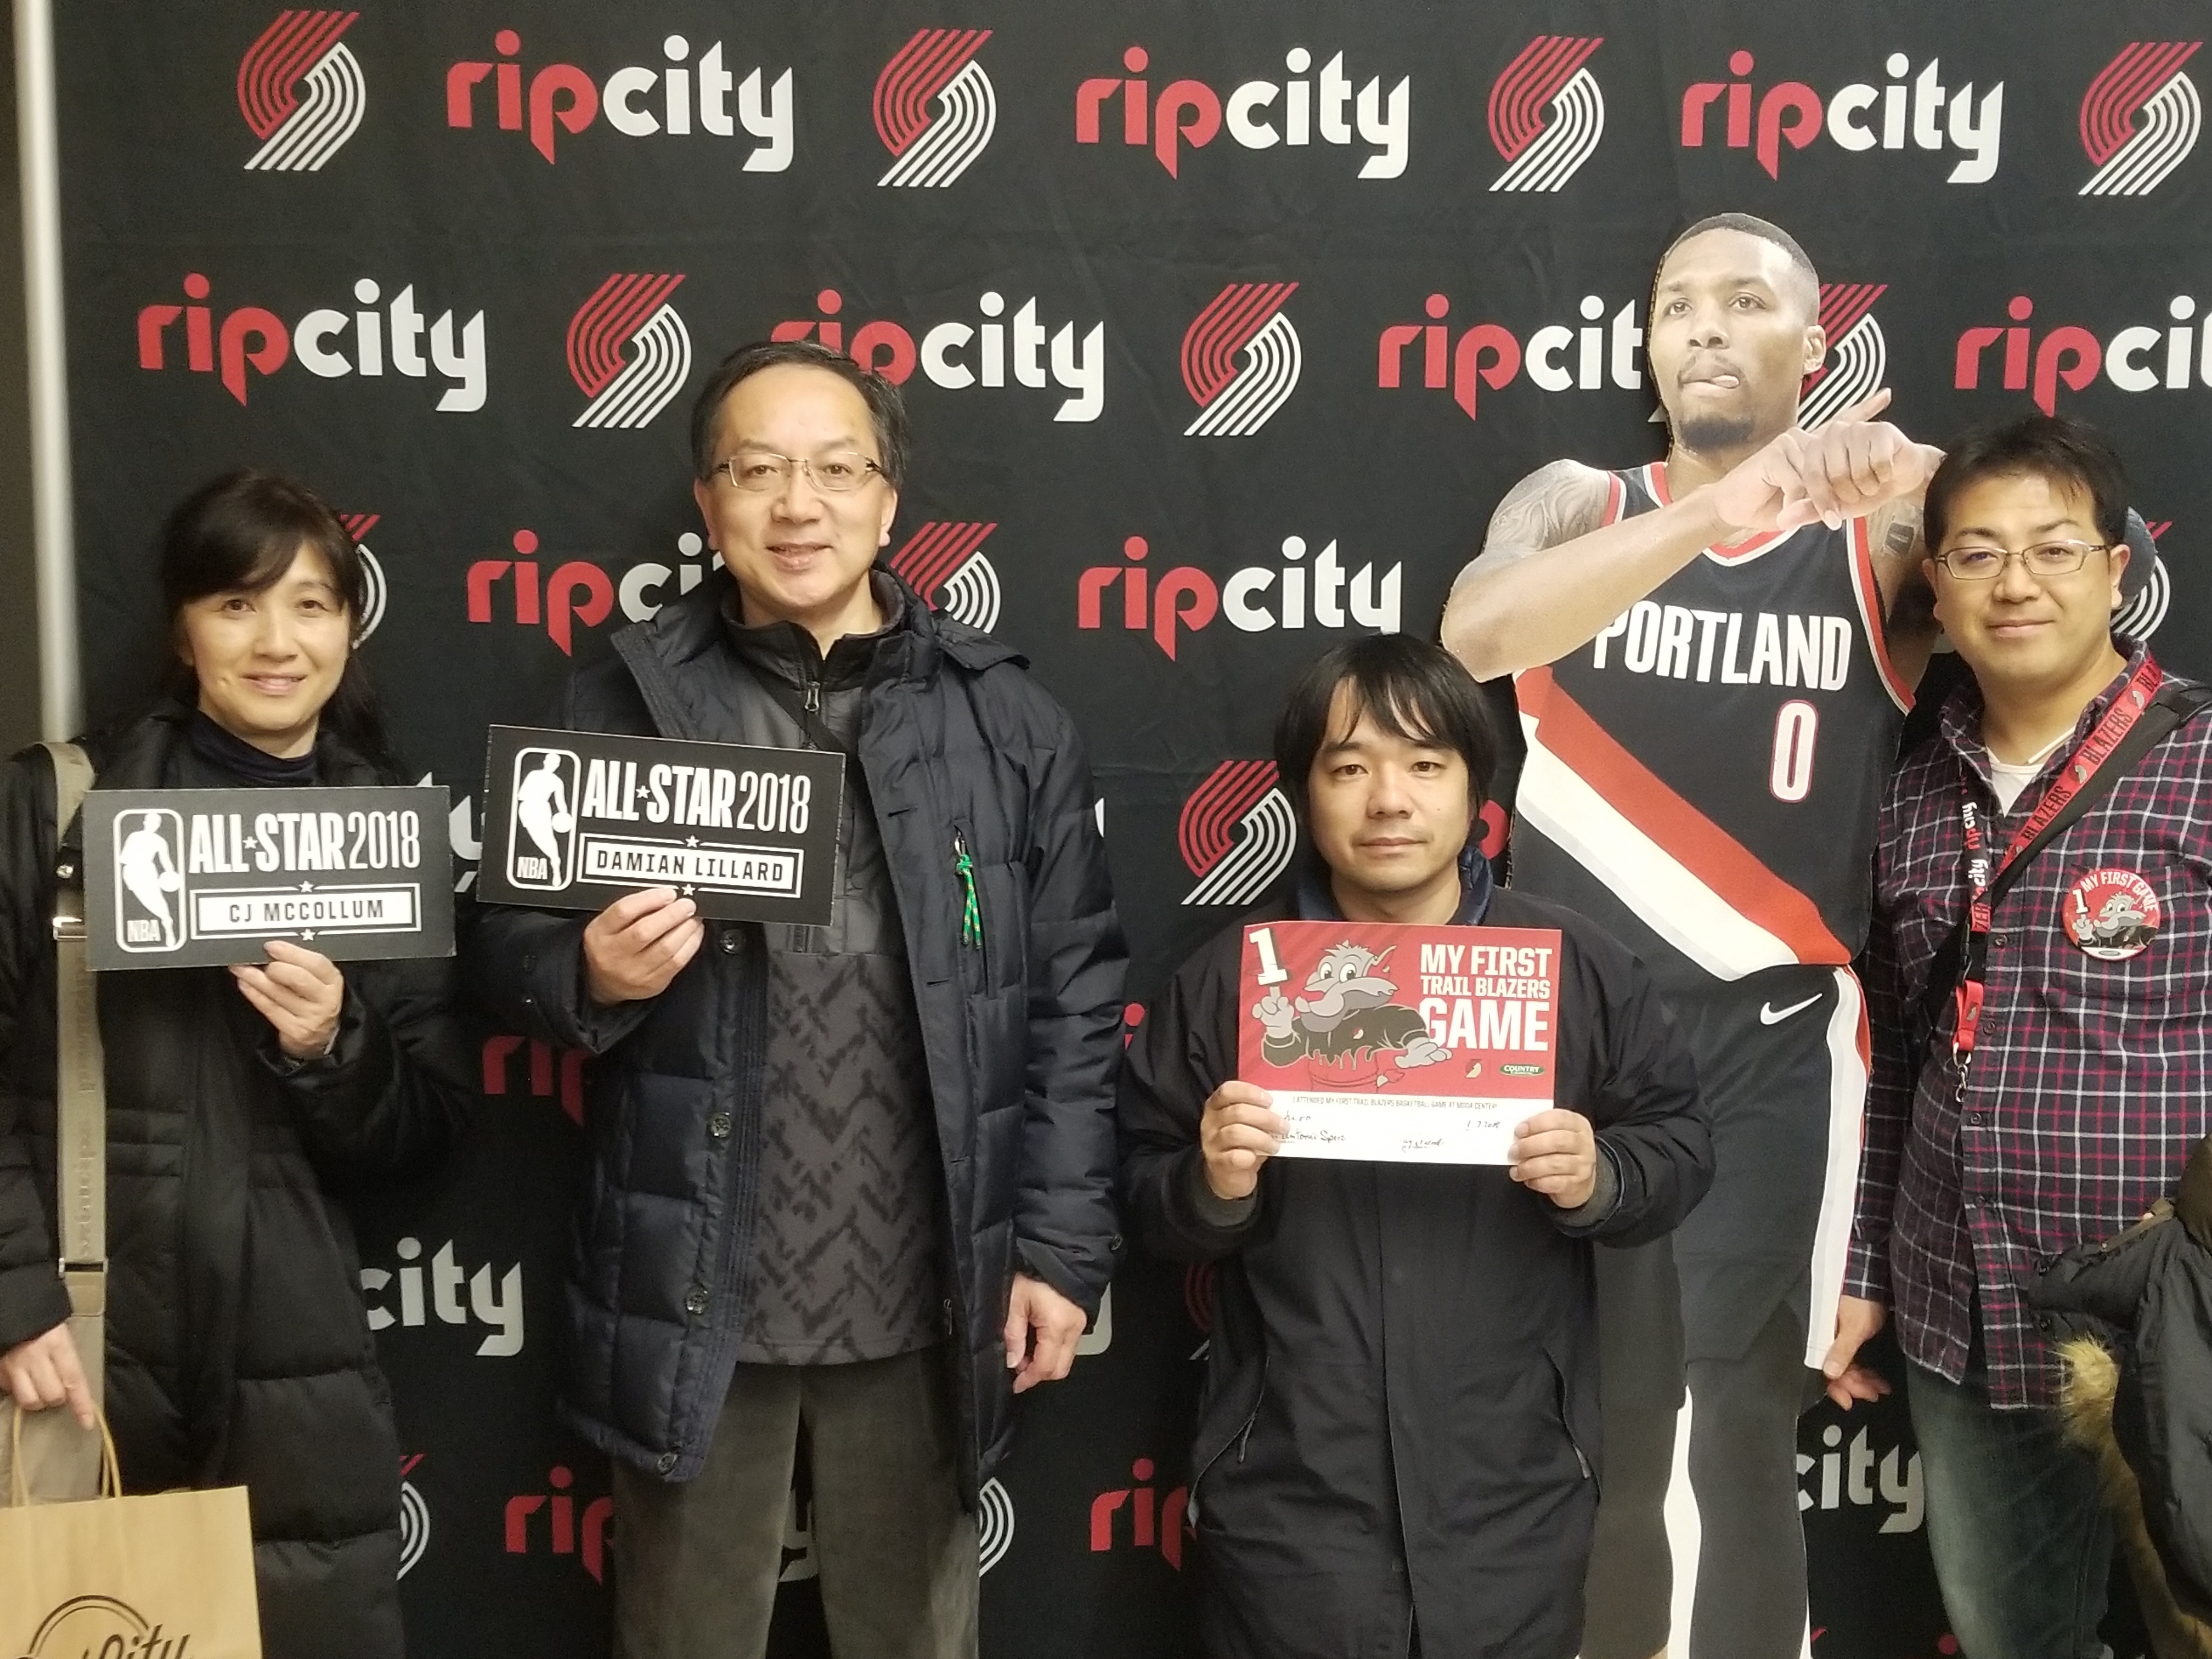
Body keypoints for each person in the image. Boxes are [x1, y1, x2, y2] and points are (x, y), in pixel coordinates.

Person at [468, 338, 1126, 1659]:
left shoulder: (1008, 723)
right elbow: (497, 951)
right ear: (707, 503)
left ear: (889, 501)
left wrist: (1059, 1250)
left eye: (836, 470)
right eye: (757, 470)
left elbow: (1071, 1003)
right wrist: (587, 976)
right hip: (701, 1285)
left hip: (925, 1286)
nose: (797, 504)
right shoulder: (620, 701)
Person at [1440, 211, 1945, 1658]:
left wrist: (1908, 473)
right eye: (1678, 306)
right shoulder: (1576, 499)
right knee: (1561, 1411)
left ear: (1817, 347)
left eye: (1745, 301)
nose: (1707, 325)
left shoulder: (1881, 531)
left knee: (1734, 1426)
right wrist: (1720, 512)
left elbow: (2031, 564)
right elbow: (1476, 637)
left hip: (1766, 1040)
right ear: (1650, 350)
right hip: (1569, 1036)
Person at [1118, 634, 1712, 1659]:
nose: (1388, 800)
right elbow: (1137, 1190)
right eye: (1349, 768)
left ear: (1476, 790)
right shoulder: (1232, 982)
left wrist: (1603, 1177)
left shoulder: (1577, 967)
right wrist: (1209, 1185)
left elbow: (1683, 1145)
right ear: (1305, 793)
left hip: (1515, 1497)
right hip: (1291, 1500)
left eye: (1425, 764)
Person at [0, 470, 473, 1659]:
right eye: (236, 604)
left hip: (299, 1370)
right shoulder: (57, 806)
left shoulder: (388, 833)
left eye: (311, 605)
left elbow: (426, 1138)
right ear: (183, 630)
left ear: (349, 629)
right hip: (81, 1348)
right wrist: (14, 1299)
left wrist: (333, 1046)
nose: (276, 642)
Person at [1823, 414, 2212, 1658]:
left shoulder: (2201, 762)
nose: (2016, 583)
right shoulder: (1906, 788)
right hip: (1965, 1307)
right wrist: (1865, 1273)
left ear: (2117, 567)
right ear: (1937, 588)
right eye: (1978, 555)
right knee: (2012, 1639)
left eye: (2053, 549)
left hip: (2175, 1320)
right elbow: (1891, 1059)